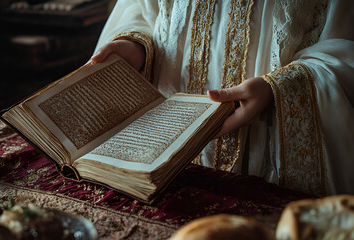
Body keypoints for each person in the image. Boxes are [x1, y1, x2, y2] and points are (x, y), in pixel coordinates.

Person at [90, 0, 354, 196]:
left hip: (265, 151)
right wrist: (137, 47)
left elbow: (343, 44)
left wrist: (277, 88)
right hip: (163, 148)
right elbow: (146, 11)